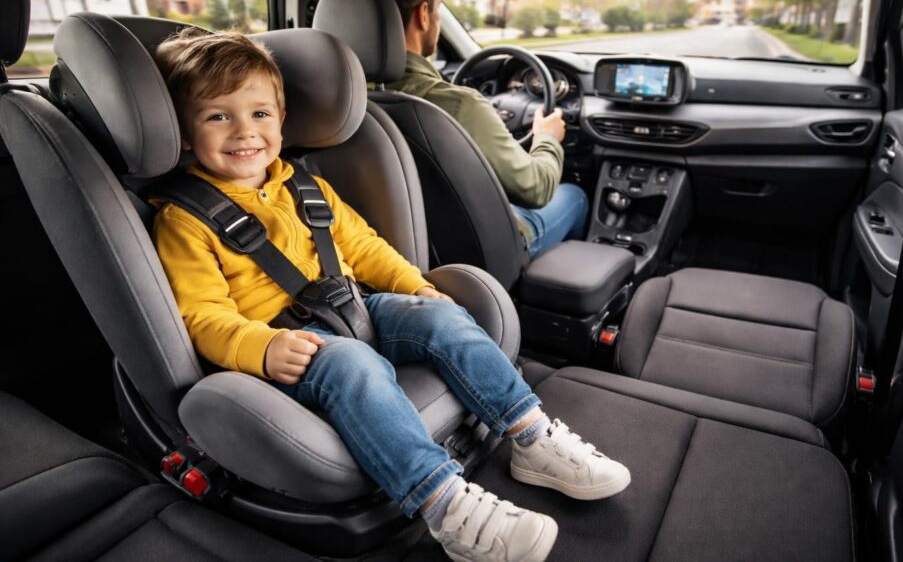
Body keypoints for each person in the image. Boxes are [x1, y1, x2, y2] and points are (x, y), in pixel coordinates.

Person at [150, 29, 630, 562]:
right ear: (186, 133)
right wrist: (259, 347)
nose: (245, 131)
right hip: (289, 343)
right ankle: (444, 504)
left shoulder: (305, 187)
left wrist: (417, 288)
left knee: (440, 317)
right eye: (218, 116)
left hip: (352, 305)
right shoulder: (184, 220)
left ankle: (530, 433)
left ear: (281, 119)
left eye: (260, 114)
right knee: (354, 363)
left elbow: (367, 249)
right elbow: (201, 313)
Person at [353, 0, 588, 259]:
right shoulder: (461, 106)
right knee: (574, 195)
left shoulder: (337, 100)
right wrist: (547, 138)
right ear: (424, 15)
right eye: (437, 8)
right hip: (479, 254)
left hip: (383, 251)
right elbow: (536, 188)